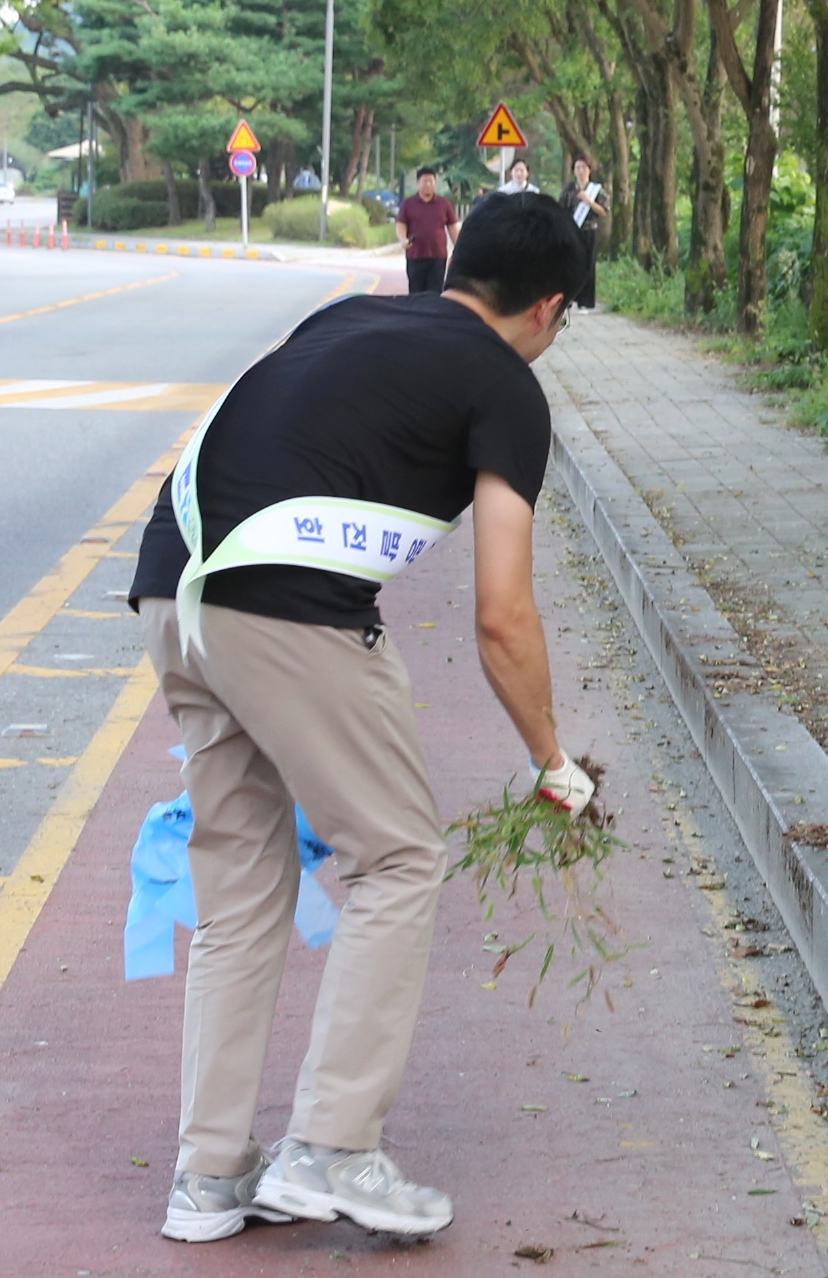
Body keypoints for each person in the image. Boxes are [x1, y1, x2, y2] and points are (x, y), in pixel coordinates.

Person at [129, 193, 599, 1244]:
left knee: (241, 890)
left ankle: (208, 1180)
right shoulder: (505, 388)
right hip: (286, 608)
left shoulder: (346, 316)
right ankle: (333, 1146)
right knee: (396, 859)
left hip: (173, 586)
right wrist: (550, 760)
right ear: (549, 308)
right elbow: (503, 614)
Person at [393, 167, 456, 296]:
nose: (428, 184)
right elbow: (400, 224)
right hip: (415, 255)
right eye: (424, 181)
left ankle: (432, 316)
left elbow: (453, 228)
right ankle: (416, 316)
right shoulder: (408, 204)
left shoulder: (444, 204)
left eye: (431, 181)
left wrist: (459, 249)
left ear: (435, 184)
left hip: (437, 256)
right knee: (416, 292)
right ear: (418, 183)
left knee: (435, 292)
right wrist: (403, 240)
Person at [563, 160, 609, 311]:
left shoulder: (597, 190)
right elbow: (561, 208)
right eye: (577, 168)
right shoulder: (569, 189)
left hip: (589, 230)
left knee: (588, 265)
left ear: (590, 170)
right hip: (572, 230)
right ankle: (568, 299)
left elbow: (603, 211)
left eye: (584, 168)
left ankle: (585, 302)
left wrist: (589, 201)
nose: (581, 171)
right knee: (569, 265)